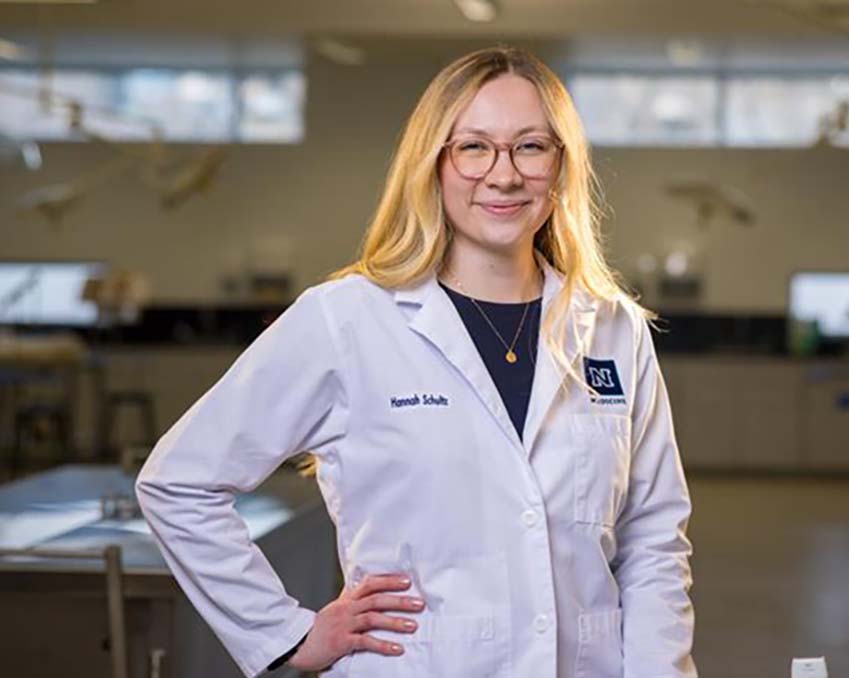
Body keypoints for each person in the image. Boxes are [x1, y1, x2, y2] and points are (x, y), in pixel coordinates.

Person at [135, 46, 697, 678]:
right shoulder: (346, 319)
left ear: (563, 166)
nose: (504, 175)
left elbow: (652, 536)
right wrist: (287, 636)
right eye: (474, 147)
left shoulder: (613, 328)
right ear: (432, 163)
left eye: (531, 147)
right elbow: (177, 483)